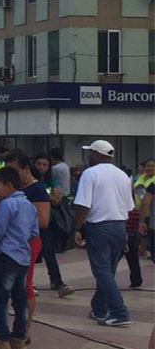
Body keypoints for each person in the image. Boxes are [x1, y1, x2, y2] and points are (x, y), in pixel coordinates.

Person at [72, 140, 134, 328]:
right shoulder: (123, 175)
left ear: (96, 154)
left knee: (102, 271)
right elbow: (130, 206)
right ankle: (99, 308)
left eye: (90, 152)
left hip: (99, 227)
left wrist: (76, 228)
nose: (88, 156)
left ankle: (119, 312)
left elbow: (84, 204)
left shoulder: (90, 174)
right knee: (108, 272)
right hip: (119, 227)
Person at [0, 167, 39, 349]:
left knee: (1, 298)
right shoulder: (29, 205)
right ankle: (18, 339)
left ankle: (2, 339)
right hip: (23, 256)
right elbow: (35, 232)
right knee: (20, 299)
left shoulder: (7, 204)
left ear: (9, 185)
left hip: (6, 255)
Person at [3, 151, 49, 340]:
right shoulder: (13, 189)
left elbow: (44, 220)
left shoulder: (36, 189)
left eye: (14, 171)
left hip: (28, 241)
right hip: (12, 242)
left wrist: (19, 219)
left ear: (26, 169)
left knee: (24, 285)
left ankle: (24, 330)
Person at [33, 154, 73, 295]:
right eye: (39, 164)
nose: (41, 167)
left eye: (45, 165)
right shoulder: (29, 181)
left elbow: (56, 201)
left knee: (49, 252)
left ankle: (57, 281)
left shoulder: (52, 181)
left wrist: (42, 193)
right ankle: (27, 282)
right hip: (31, 221)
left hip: (47, 221)